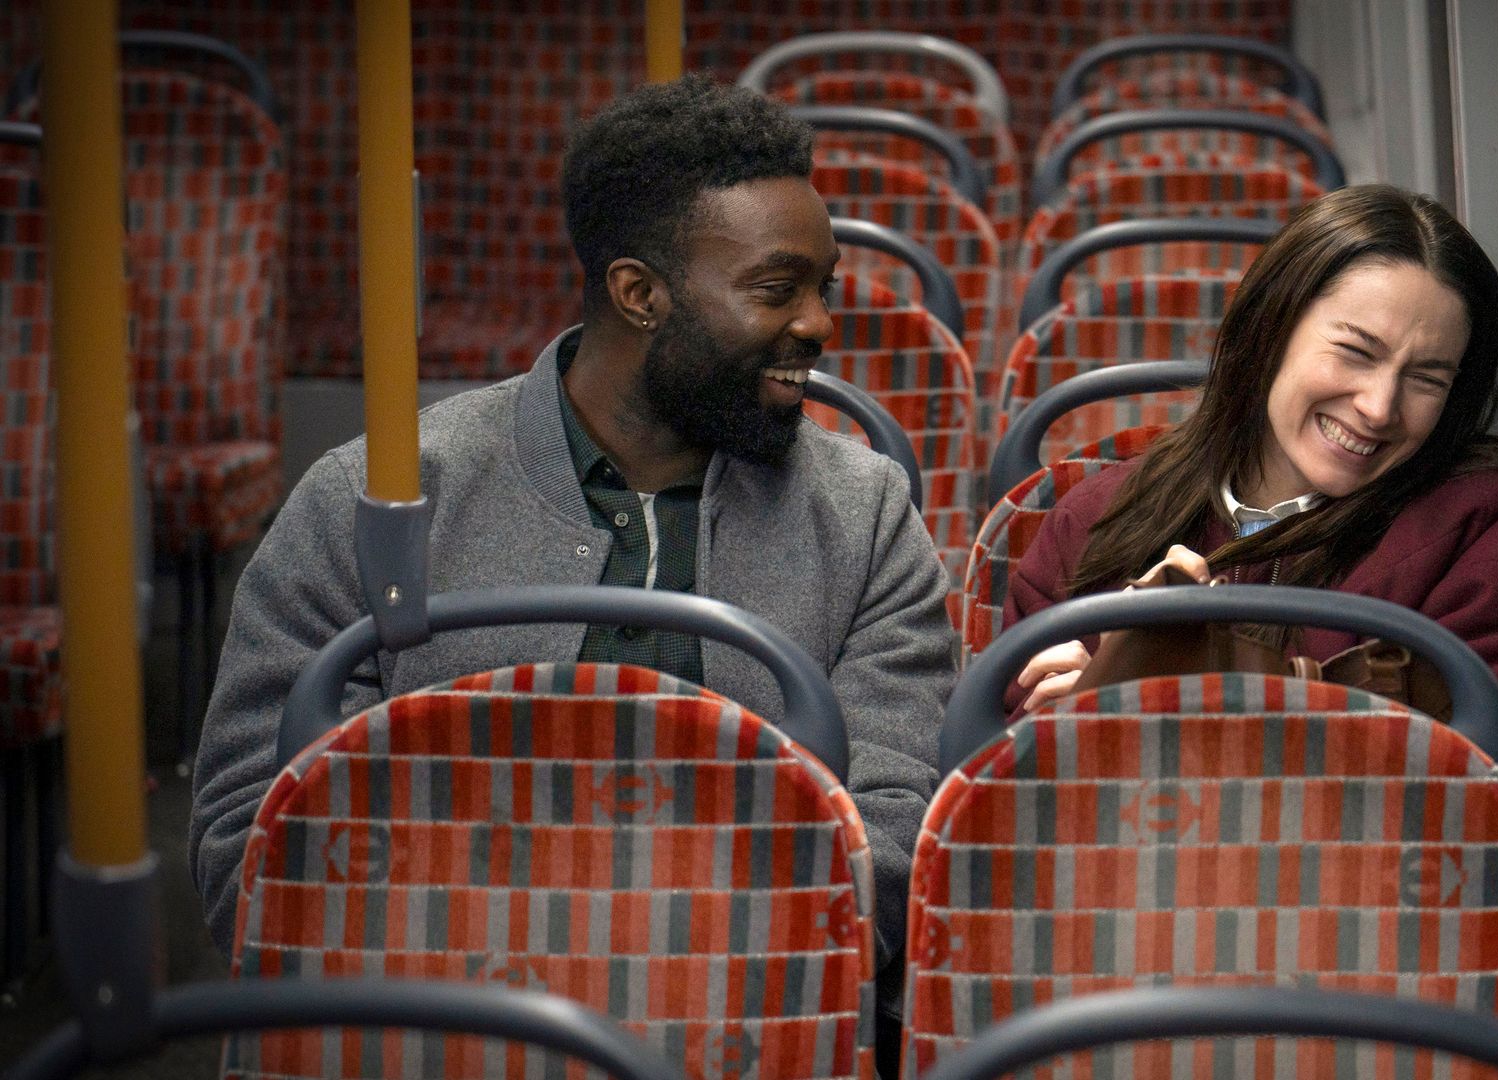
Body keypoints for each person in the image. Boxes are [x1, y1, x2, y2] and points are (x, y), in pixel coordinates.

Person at [189, 77, 955, 1001]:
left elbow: (893, 836)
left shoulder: (865, 517)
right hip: (440, 1021)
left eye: (821, 288)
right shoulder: (374, 499)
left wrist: (663, 962)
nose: (819, 325)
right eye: (776, 290)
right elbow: (250, 844)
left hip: (746, 1007)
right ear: (639, 294)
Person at [1005, 184, 1498, 716]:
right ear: (1270, 330)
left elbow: (1447, 777)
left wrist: (1162, 700)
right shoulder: (1092, 521)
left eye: (1426, 379)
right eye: (1356, 352)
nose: (1380, 407)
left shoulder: (1480, 533)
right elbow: (998, 773)